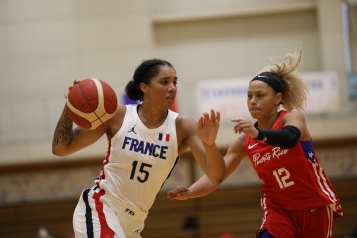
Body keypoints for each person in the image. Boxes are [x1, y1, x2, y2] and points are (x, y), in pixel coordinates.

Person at [167, 49, 343, 238]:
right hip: (279, 209)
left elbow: (290, 139)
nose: (253, 101)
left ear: (278, 98)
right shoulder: (244, 141)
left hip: (314, 205)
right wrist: (191, 191)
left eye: (260, 96)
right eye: (249, 96)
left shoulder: (291, 118)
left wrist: (258, 133)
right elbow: (217, 176)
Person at [52, 59, 226, 238]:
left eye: (175, 82)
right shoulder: (118, 116)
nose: (172, 87)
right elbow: (61, 148)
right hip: (102, 207)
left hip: (135, 223)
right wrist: (70, 107)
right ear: (145, 87)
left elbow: (216, 176)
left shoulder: (182, 126)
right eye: (164, 82)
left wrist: (210, 145)